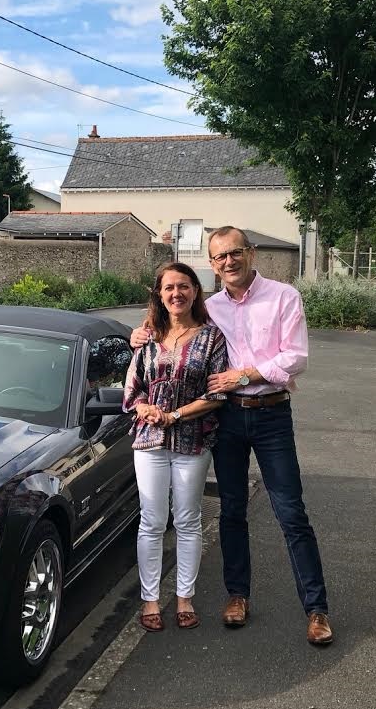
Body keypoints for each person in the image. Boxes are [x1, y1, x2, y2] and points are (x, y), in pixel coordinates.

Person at [131, 227, 332, 645]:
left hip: (272, 413)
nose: (228, 262)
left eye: (235, 253)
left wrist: (245, 374)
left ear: (250, 253)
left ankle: (316, 610)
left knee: (290, 512)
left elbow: (295, 358)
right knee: (232, 511)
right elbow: (170, 320)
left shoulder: (283, 297)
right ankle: (237, 596)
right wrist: (140, 333)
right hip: (228, 420)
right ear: (212, 263)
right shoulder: (212, 307)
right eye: (219, 257)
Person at [122, 262, 229, 632]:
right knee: (151, 521)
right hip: (149, 441)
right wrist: (144, 408)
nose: (176, 294)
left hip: (192, 440)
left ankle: (185, 597)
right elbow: (132, 389)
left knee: (187, 519)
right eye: (168, 288)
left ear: (196, 291)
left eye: (183, 286)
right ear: (159, 294)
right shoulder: (147, 337)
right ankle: (150, 599)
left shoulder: (211, 338)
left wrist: (175, 415)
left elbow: (216, 394)